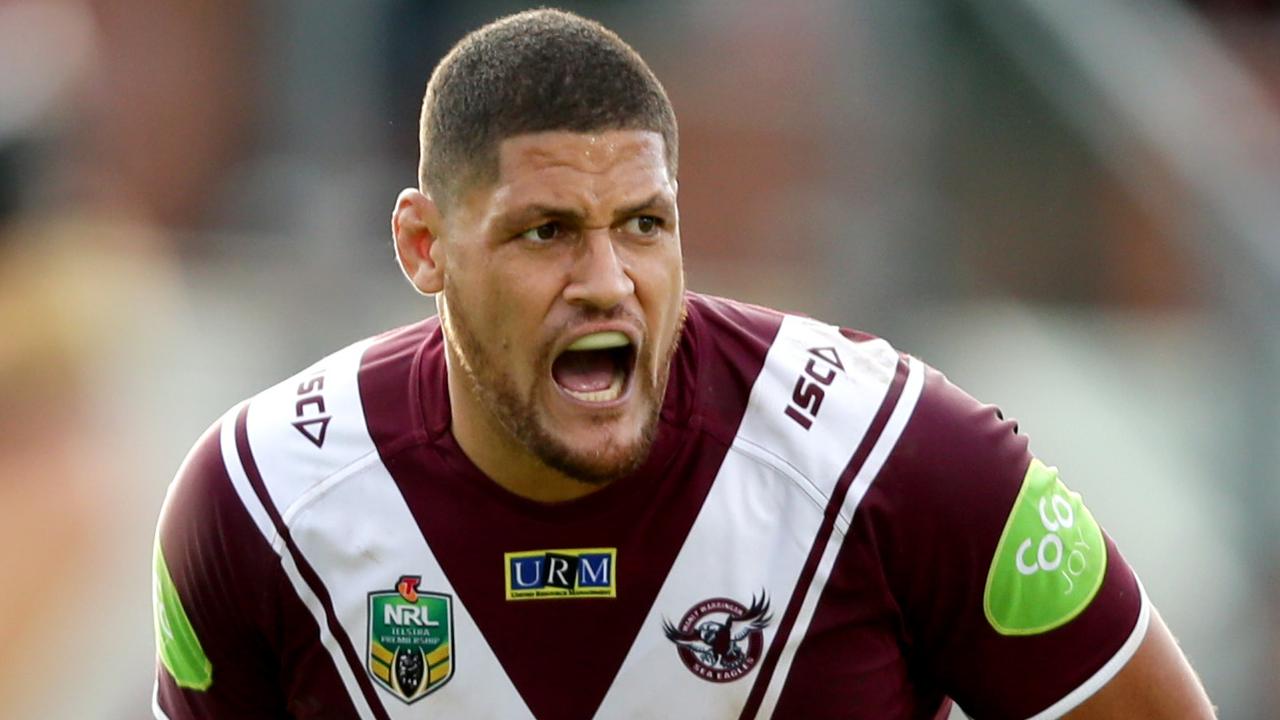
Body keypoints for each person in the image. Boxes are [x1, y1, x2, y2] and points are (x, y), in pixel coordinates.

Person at [152, 9, 1215, 719]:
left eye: (643, 224)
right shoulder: (260, 500)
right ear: (423, 248)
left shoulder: (891, 459)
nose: (608, 280)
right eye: (546, 232)